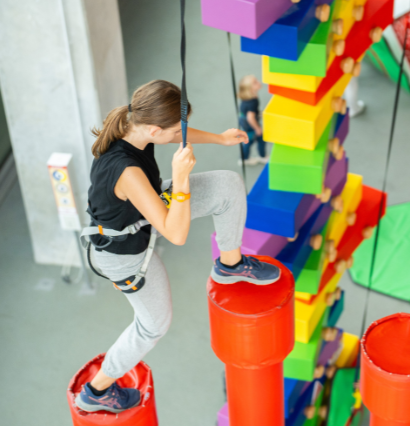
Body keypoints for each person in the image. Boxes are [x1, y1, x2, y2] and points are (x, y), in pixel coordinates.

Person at [75, 80, 282, 413]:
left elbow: (173, 133)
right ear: (154, 128)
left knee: (227, 185)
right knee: (153, 326)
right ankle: (97, 391)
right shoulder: (125, 170)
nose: (178, 135)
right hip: (123, 256)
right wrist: (180, 177)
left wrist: (220, 138)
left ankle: (230, 264)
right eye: (173, 130)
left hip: (144, 211)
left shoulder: (135, 124)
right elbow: (176, 233)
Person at [238, 75, 267, 166]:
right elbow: (250, 117)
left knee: (248, 139)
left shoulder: (249, 97)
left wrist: (258, 114)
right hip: (250, 124)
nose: (259, 82)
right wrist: (257, 128)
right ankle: (258, 157)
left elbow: (248, 112)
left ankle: (245, 158)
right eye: (255, 82)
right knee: (256, 139)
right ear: (250, 89)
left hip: (244, 121)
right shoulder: (253, 102)